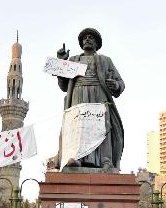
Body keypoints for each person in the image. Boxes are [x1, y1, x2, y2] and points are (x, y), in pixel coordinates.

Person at [53, 28, 125, 170]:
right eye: (85, 37)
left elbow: (120, 83)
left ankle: (105, 160)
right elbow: (63, 86)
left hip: (99, 95)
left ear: (96, 43)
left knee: (102, 126)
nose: (87, 39)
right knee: (78, 126)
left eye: (91, 37)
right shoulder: (73, 60)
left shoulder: (105, 60)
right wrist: (60, 64)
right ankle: (76, 157)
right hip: (78, 95)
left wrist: (115, 84)